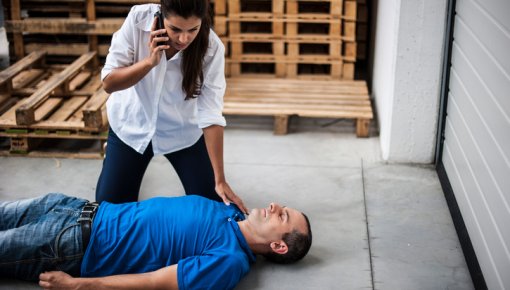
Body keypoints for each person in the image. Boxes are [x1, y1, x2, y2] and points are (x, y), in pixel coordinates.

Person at [96, 0, 247, 213]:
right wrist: (149, 62)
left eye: (192, 30)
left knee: (215, 209)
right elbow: (108, 83)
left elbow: (211, 114)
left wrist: (220, 179)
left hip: (182, 132)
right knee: (108, 214)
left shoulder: (212, 47)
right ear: (162, 15)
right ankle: (114, 157)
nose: (184, 39)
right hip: (130, 127)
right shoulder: (138, 19)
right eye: (175, 29)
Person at [0, 193, 312, 290]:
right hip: (76, 207)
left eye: (281, 216)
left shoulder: (229, 261)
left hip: (71, 244)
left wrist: (80, 285)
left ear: (279, 246)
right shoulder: (232, 212)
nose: (273, 207)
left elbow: (154, 282)